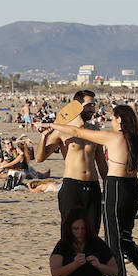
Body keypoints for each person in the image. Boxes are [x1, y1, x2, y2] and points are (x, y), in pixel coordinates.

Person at [39, 104, 138, 276]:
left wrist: (54, 125)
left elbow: (77, 131)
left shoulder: (113, 137)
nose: (111, 121)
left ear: (120, 120)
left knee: (113, 240)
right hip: (133, 189)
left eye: (113, 118)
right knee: (126, 237)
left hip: (115, 187)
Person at [36, 90, 105, 237]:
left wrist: (109, 184)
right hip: (72, 186)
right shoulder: (62, 131)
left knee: (92, 233)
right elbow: (39, 158)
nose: (93, 109)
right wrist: (43, 138)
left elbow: (101, 163)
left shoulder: (94, 130)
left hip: (93, 186)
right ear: (76, 106)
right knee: (69, 234)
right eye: (89, 105)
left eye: (94, 105)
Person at [27, 212, 117, 276]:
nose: (80, 232)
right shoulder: (63, 244)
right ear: (69, 229)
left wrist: (99, 266)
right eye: (76, 229)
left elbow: (114, 272)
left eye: (83, 229)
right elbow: (55, 274)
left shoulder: (97, 243)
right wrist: (74, 265)